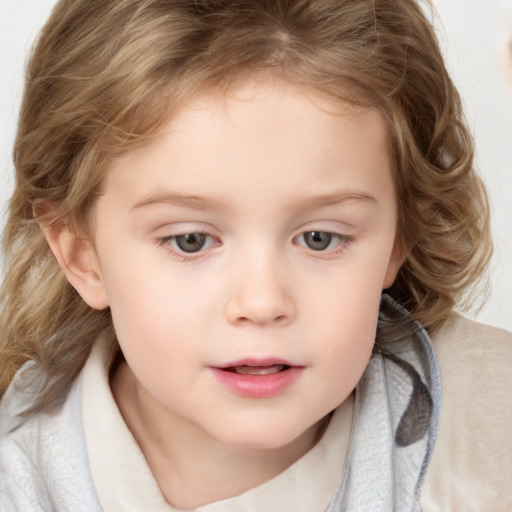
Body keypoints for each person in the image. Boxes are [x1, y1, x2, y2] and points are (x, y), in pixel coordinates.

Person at [0, 0, 510, 510]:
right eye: (190, 240)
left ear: (400, 235)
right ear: (82, 254)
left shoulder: (490, 430)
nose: (262, 303)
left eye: (320, 238)